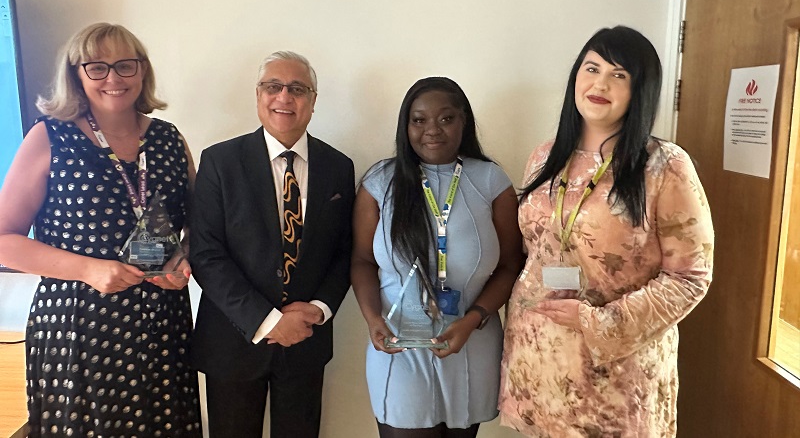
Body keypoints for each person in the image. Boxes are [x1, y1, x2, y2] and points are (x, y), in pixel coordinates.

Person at [498, 26, 714, 437]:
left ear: (640, 90)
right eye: (591, 68)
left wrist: (600, 322)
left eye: (619, 75)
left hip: (615, 374)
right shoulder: (546, 155)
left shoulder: (665, 166)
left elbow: (690, 277)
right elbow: (538, 250)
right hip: (539, 358)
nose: (600, 83)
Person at [0, 22, 201, 437]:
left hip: (162, 325)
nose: (113, 78)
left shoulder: (169, 139)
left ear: (142, 71)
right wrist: (88, 269)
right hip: (79, 329)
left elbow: (201, 225)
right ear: (76, 75)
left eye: (125, 66)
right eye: (97, 67)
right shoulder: (49, 137)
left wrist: (183, 259)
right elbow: (4, 241)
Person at [190, 51, 355, 438]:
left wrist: (319, 308)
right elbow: (206, 254)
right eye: (273, 87)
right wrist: (268, 322)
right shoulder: (219, 161)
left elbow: (346, 251)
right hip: (233, 342)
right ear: (258, 95)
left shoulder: (339, 166)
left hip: (305, 341)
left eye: (297, 89)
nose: (284, 97)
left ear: (313, 101)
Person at [351, 76, 523, 438]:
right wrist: (371, 318)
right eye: (419, 120)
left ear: (464, 122)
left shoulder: (491, 181)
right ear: (406, 125)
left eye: (446, 119)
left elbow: (510, 265)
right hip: (399, 343)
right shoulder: (380, 183)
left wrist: (475, 318)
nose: (432, 130)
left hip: (471, 339)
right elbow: (363, 261)